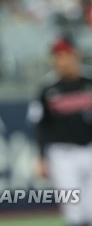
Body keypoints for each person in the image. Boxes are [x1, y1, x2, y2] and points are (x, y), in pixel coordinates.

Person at [27, 36, 92, 226]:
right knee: (74, 210)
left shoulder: (89, 80)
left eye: (64, 55)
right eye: (56, 56)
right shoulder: (47, 88)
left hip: (90, 149)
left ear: (75, 55)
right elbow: (39, 125)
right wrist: (41, 157)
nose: (60, 61)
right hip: (62, 155)